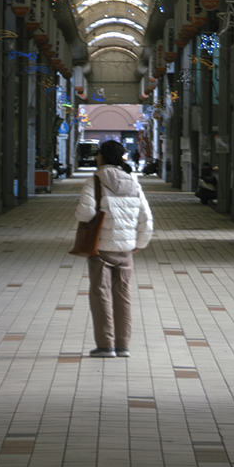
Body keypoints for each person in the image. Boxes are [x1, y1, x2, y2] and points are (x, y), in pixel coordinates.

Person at [76, 136, 154, 356]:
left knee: (101, 295)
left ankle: (105, 345)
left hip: (100, 247)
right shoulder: (133, 181)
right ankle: (123, 345)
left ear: (102, 156)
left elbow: (85, 213)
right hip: (125, 249)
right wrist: (139, 243)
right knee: (124, 296)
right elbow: (145, 218)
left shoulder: (95, 180)